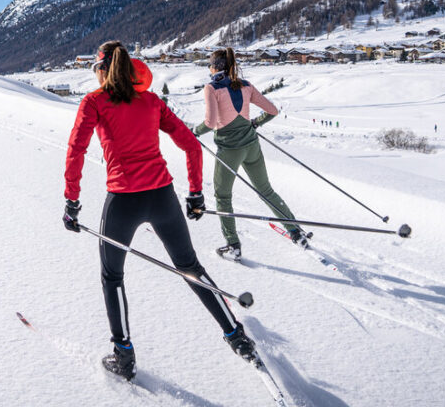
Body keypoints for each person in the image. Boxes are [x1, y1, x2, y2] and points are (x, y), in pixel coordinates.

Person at [63, 40, 256, 380]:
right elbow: (191, 145)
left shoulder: (94, 102)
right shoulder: (152, 101)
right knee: (190, 268)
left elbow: (76, 150)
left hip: (123, 201)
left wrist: (72, 202)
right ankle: (236, 336)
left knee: (112, 277)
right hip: (162, 197)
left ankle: (124, 356)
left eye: (95, 69)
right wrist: (195, 194)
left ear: (103, 70)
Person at [193, 48, 306, 261]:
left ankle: (233, 244)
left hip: (229, 151)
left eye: (210, 64)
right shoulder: (245, 85)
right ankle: (295, 231)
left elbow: (210, 122)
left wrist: (193, 132)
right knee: (266, 190)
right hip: (252, 146)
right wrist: (255, 123)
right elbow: (273, 110)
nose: (209, 68)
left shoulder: (212, 88)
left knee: (223, 197)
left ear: (216, 67)